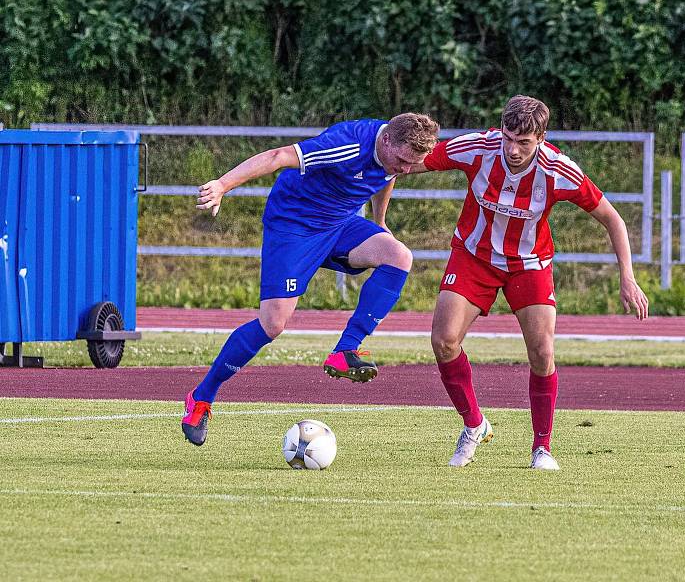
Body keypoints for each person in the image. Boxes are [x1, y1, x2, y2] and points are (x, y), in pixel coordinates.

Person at [410, 95, 649, 469]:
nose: (513, 149)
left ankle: (542, 448)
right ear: (500, 130)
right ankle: (474, 425)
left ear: (541, 138)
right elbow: (406, 163)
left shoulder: (559, 171)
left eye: (524, 142)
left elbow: (612, 218)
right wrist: (379, 210)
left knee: (542, 353)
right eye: (508, 138)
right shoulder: (478, 148)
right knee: (443, 340)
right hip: (474, 257)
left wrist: (628, 278)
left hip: (529, 265)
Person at [182, 114, 440, 445]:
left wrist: (380, 220)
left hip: (339, 224)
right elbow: (277, 158)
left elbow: (386, 174)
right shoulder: (346, 146)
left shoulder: (394, 153)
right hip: (294, 225)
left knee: (399, 256)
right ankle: (201, 398)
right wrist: (222, 185)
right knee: (272, 325)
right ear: (387, 140)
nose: (406, 169)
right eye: (403, 161)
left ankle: (345, 351)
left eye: (412, 164)